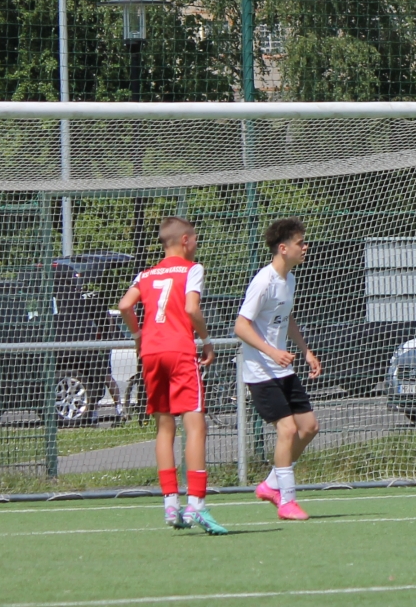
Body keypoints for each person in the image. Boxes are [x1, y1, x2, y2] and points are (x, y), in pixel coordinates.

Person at [117, 216, 225, 534]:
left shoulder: (146, 274)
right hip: (179, 351)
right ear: (186, 241)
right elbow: (191, 309)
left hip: (151, 352)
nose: (197, 244)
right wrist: (206, 341)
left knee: (165, 428)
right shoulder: (192, 269)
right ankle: (196, 504)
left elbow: (125, 305)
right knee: (196, 425)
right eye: (196, 238)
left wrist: (138, 336)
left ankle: (169, 504)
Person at [234, 217, 322, 521]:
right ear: (283, 248)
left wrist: (306, 350)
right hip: (260, 373)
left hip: (282, 371)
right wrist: (272, 352)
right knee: (287, 430)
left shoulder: (289, 280)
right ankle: (287, 500)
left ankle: (271, 484)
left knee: (309, 427)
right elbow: (241, 326)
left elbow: (287, 318)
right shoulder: (264, 281)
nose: (305, 247)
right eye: (300, 243)